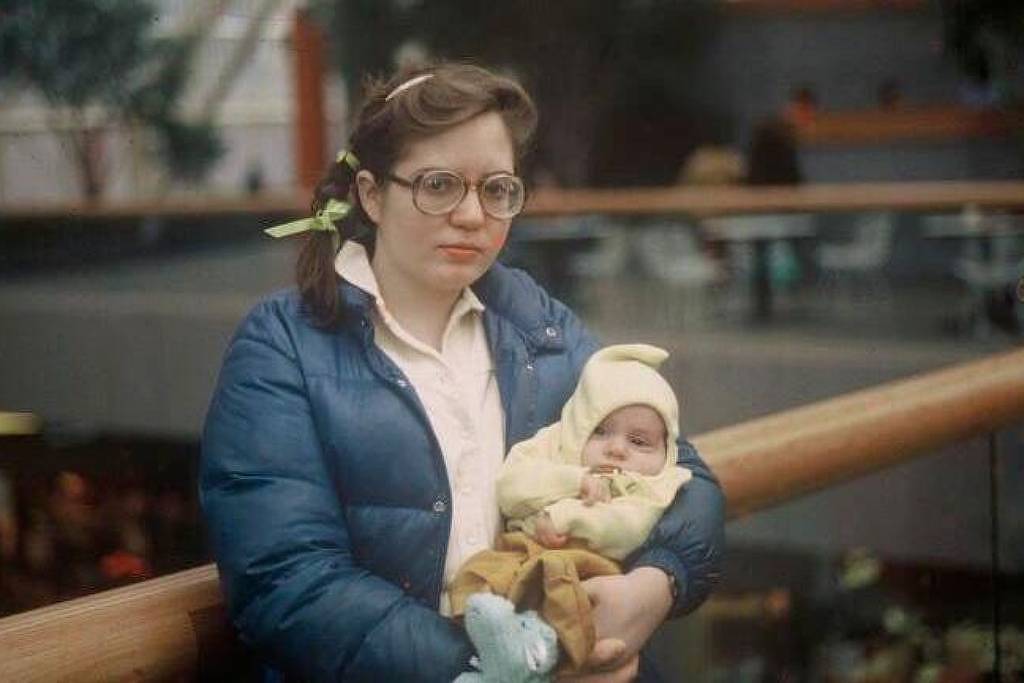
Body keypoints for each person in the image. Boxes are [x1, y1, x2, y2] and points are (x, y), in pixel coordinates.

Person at [200, 62, 724, 682]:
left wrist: (657, 583)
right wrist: (509, 667)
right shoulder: (283, 346)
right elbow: (289, 581)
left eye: (497, 189)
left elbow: (679, 468)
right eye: (440, 185)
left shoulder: (537, 323)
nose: (474, 215)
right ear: (372, 194)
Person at [449, 343, 692, 673]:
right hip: (518, 551)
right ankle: (485, 652)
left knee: (567, 600)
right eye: (600, 431)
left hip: (583, 564)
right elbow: (511, 486)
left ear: (666, 451)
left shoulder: (655, 484)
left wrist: (563, 518)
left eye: (638, 441)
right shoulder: (554, 445)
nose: (616, 449)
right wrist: (574, 480)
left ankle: (538, 655)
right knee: (478, 571)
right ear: (578, 426)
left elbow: (626, 527)